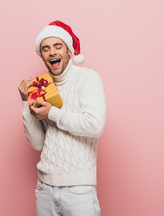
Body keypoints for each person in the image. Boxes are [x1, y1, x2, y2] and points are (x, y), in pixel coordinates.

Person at [17, 20, 107, 216]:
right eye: (46, 49)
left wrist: (52, 113)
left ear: (69, 51)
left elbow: (95, 125)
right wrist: (26, 104)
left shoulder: (88, 78)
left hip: (79, 190)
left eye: (58, 46)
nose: (52, 52)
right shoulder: (42, 86)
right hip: (44, 188)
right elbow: (38, 143)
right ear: (42, 56)